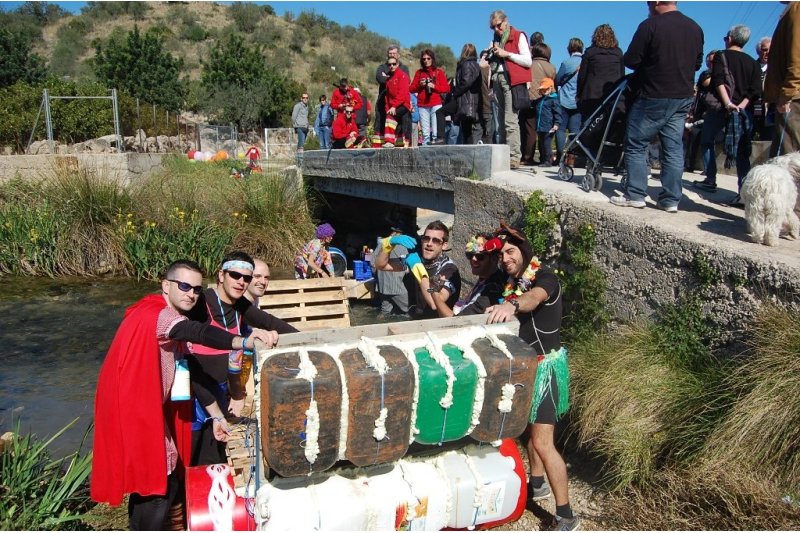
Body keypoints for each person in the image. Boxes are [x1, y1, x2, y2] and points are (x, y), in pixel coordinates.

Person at [90, 259, 278, 530]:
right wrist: (243, 341)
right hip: (135, 413)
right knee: (157, 488)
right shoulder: (161, 316)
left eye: (197, 289)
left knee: (159, 481)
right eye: (184, 286)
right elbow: (197, 331)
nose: (191, 293)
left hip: (145, 409)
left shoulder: (164, 317)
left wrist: (216, 416)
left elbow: (193, 372)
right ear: (166, 286)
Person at [484, 224, 578, 531]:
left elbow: (534, 298)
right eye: (501, 254)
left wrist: (511, 305)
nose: (505, 258)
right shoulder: (511, 281)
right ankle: (537, 485)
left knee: (542, 443)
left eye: (510, 252)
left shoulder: (544, 278)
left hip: (546, 370)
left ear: (525, 253)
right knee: (527, 434)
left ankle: (566, 515)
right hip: (526, 368)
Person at [187, 252, 297, 466]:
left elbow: (271, 322)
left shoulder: (240, 306)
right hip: (195, 396)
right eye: (235, 275)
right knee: (188, 461)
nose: (241, 282)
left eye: (246, 278)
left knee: (213, 463)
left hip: (220, 394)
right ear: (221, 275)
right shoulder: (201, 303)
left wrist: (309, 340)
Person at [611, 1, 703, 214]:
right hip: (682, 95)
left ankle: (635, 194)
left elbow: (632, 59)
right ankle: (670, 199)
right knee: (672, 148)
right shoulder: (694, 27)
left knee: (636, 143)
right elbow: (697, 63)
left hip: (653, 94)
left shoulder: (650, 25)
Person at [693, 24, 761, 206]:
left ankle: (710, 179)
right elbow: (755, 90)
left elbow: (718, 81)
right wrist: (741, 106)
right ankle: (743, 192)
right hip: (742, 112)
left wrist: (728, 104)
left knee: (707, 141)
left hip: (720, 109)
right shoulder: (752, 62)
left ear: (730, 38)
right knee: (742, 152)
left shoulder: (721, 56)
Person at [375, 220, 461, 320]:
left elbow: (434, 304)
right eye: (426, 238)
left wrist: (417, 268)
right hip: (419, 318)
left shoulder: (448, 269)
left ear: (444, 245)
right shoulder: (419, 259)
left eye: (436, 240)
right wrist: (388, 244)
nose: (429, 243)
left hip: (438, 324)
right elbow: (381, 265)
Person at [487, 10, 531, 168]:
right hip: (497, 79)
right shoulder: (496, 40)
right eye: (493, 27)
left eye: (498, 25)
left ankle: (514, 157)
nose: (496, 29)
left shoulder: (519, 35)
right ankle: (503, 157)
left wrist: (507, 54)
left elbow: (528, 61)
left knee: (510, 120)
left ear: (506, 21)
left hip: (511, 80)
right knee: (499, 123)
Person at [431, 233, 505, 317]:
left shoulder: (492, 291)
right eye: (470, 255)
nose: (473, 259)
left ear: (494, 259)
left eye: (480, 256)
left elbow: (457, 322)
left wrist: (434, 292)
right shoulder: (486, 278)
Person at [764, 1, 800, 156]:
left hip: (793, 97)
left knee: (788, 159)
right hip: (792, 94)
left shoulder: (796, 8)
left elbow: (797, 57)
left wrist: (787, 93)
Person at [576, 25, 625, 121]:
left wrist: (578, 95)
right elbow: (622, 75)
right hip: (612, 96)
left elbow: (582, 77)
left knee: (588, 127)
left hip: (591, 96)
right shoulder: (618, 53)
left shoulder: (590, 52)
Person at [437, 43, 482, 145]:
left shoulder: (466, 64)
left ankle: (441, 138)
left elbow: (466, 82)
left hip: (463, 100)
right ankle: (469, 154)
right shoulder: (476, 65)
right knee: (467, 131)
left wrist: (454, 93)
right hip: (472, 101)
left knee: (440, 112)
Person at [239, 258, 271, 391]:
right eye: (257, 276)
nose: (263, 282)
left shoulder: (254, 299)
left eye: (267, 277)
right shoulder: (240, 303)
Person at [524, 42, 557, 166]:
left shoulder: (529, 65)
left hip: (530, 100)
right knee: (545, 132)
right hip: (546, 102)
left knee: (530, 130)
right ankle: (545, 158)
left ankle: (528, 157)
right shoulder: (551, 67)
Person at [411, 49, 450, 146]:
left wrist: (434, 86)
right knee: (425, 134)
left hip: (436, 104)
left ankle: (436, 155)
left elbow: (447, 88)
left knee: (436, 133)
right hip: (422, 105)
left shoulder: (438, 72)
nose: (426, 61)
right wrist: (420, 85)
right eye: (424, 59)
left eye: (428, 58)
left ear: (432, 59)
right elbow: (411, 89)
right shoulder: (419, 73)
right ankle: (424, 155)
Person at [374, 45, 411, 148]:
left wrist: (394, 106)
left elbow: (403, 91)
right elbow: (380, 78)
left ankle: (398, 143)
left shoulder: (403, 72)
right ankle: (384, 143)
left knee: (402, 124)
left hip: (401, 103)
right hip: (386, 103)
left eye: (394, 54)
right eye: (390, 54)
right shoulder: (382, 67)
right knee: (382, 121)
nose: (392, 66)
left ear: (398, 56)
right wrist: (389, 78)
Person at [554, 38, 584, 162]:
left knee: (560, 129)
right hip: (578, 102)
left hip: (564, 100)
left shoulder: (566, 63)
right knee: (575, 131)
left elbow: (557, 81)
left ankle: (561, 155)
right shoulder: (585, 63)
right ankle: (572, 157)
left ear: (569, 49)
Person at [374, 222, 411, 317]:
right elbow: (405, 266)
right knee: (408, 311)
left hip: (382, 285)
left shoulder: (383, 243)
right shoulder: (403, 246)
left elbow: (372, 262)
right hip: (396, 286)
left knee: (385, 311)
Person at [383, 56, 412, 147]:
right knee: (399, 125)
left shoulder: (403, 76)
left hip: (403, 104)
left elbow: (402, 94)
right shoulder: (388, 80)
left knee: (391, 116)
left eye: (394, 64)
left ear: (398, 64)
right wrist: (387, 108)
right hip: (393, 106)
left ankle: (389, 141)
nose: (392, 66)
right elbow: (387, 97)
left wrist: (394, 106)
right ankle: (398, 143)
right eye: (389, 64)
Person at [749, 37, 772, 141]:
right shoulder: (751, 67)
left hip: (769, 113)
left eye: (771, 50)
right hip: (751, 111)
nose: (767, 53)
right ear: (759, 51)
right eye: (765, 50)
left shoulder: (776, 69)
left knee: (767, 141)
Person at [536, 77, 562, 168]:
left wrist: (557, 124)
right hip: (540, 126)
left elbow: (558, 113)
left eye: (545, 89)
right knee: (541, 144)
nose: (543, 91)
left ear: (551, 88)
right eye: (542, 89)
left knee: (546, 144)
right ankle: (543, 159)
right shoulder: (541, 100)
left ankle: (548, 161)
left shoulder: (554, 100)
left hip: (549, 127)